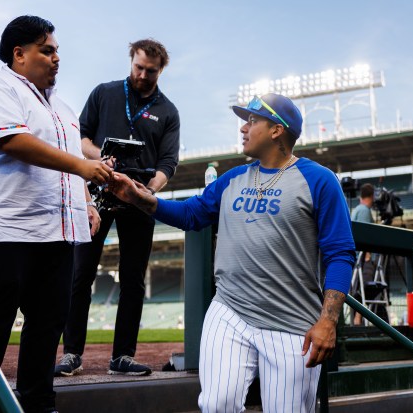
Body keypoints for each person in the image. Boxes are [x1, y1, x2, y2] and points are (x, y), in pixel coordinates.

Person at [107, 93, 356, 411]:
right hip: (230, 312)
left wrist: (328, 322)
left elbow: (341, 253)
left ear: (276, 130)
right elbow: (192, 214)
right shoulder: (233, 179)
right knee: (216, 404)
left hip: (291, 322)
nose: (243, 128)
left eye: (252, 121)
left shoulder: (319, 180)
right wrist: (138, 197)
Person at [0, 15, 112, 412]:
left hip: (56, 230)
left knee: (48, 324)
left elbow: (72, 161)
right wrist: (83, 168)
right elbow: (13, 141)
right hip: (5, 228)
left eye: (57, 50)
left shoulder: (62, 108)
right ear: (19, 53)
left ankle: (38, 402)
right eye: (47, 50)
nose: (56, 58)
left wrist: (87, 200)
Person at [55, 38, 180, 377]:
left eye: (150, 71)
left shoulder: (167, 111)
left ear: (161, 70)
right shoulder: (104, 93)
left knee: (133, 280)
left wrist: (145, 192)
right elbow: (79, 140)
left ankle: (122, 356)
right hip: (98, 191)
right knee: (80, 276)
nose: (142, 75)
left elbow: (168, 163)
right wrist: (100, 159)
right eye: (138, 67)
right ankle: (71, 354)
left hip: (138, 200)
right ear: (131, 61)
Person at [350, 183, 377, 325]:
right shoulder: (365, 210)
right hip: (362, 259)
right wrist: (367, 258)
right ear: (372, 197)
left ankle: (357, 319)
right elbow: (367, 237)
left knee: (358, 290)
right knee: (364, 289)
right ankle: (358, 319)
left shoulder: (356, 209)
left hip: (355, 259)